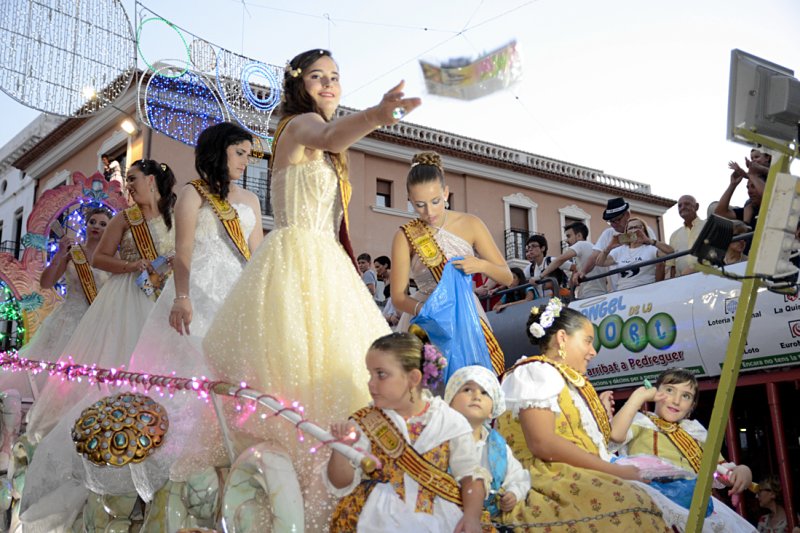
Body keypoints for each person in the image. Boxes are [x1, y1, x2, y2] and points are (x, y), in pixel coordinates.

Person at [201, 49, 420, 530]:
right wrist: (379, 115)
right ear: (299, 85)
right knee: (299, 369)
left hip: (325, 262)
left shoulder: (323, 141)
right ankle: (297, 495)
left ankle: (338, 491)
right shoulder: (300, 126)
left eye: (335, 77)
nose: (328, 84)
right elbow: (330, 132)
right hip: (298, 260)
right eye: (317, 76)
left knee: (337, 372)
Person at [80, 121, 264, 502]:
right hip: (197, 290)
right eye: (240, 152)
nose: (247, 161)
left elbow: (256, 254)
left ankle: (234, 459)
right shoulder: (193, 196)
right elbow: (183, 251)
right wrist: (182, 296)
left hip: (237, 294)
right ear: (219, 151)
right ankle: (182, 469)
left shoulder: (250, 201)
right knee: (190, 373)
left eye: (248, 154)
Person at [20, 159, 176, 531]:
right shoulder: (125, 219)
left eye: (134, 180)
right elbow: (101, 259)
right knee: (118, 371)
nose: (128, 187)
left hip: (162, 301)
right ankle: (109, 458)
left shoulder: (173, 218)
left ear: (152, 181)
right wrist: (137, 265)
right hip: (127, 298)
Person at [496, 301, 670, 531]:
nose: (593, 351)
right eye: (587, 340)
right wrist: (616, 471)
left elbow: (599, 442)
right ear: (562, 338)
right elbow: (543, 444)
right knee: (633, 503)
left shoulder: (562, 379)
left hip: (568, 469)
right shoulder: (536, 371)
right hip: (544, 475)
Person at [325, 332, 488, 533]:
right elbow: (340, 482)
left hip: (439, 519)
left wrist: (471, 517)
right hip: (375, 520)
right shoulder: (364, 422)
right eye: (370, 374)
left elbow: (470, 476)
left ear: (413, 378)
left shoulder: (449, 422)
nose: (370, 383)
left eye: (381, 374)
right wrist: (341, 449)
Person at [390, 151, 512, 375]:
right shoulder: (405, 236)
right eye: (419, 205)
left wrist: (480, 265)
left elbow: (507, 276)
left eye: (435, 201)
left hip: (466, 313)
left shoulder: (471, 224)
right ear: (409, 201)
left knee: (471, 383)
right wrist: (428, 312)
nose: (429, 212)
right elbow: (398, 297)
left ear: (446, 193)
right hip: (425, 318)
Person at [609, 368, 756, 532]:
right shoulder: (641, 423)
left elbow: (720, 472)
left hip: (691, 506)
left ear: (692, 406)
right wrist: (638, 397)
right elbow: (615, 434)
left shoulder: (696, 434)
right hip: (651, 502)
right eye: (670, 390)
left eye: (685, 396)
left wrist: (743, 472)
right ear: (655, 393)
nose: (676, 400)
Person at [444, 365, 530, 519]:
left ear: (492, 410)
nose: (477, 396)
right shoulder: (440, 441)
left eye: (485, 392)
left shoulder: (498, 446)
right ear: (450, 401)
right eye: (467, 390)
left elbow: (518, 477)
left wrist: (514, 493)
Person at [574, 197, 657, 293]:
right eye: (610, 221)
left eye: (617, 220)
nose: (614, 224)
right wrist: (582, 272)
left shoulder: (644, 231)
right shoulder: (608, 233)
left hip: (646, 287)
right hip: (619, 290)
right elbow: (594, 257)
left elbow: (657, 259)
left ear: (627, 215)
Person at [595, 217, 674, 290]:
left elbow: (670, 252)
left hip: (646, 291)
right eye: (630, 228)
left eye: (637, 227)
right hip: (624, 292)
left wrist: (650, 241)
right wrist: (608, 248)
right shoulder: (619, 250)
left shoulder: (651, 248)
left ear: (644, 230)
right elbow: (600, 262)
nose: (633, 230)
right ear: (626, 232)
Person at [716, 150, 770, 255]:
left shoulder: (777, 206)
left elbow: (769, 197)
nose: (749, 190)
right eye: (747, 187)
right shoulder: (749, 209)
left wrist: (752, 175)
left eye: (753, 186)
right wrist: (732, 185)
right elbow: (720, 212)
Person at [536, 221, 605, 298]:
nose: (566, 240)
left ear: (579, 236)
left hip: (591, 294)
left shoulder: (581, 244)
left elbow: (560, 260)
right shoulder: (590, 248)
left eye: (569, 236)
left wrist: (540, 276)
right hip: (596, 293)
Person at [667, 195, 705, 277]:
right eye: (679, 206)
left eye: (687, 204)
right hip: (683, 281)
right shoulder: (674, 235)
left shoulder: (708, 226)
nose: (683, 207)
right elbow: (672, 265)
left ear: (697, 206)